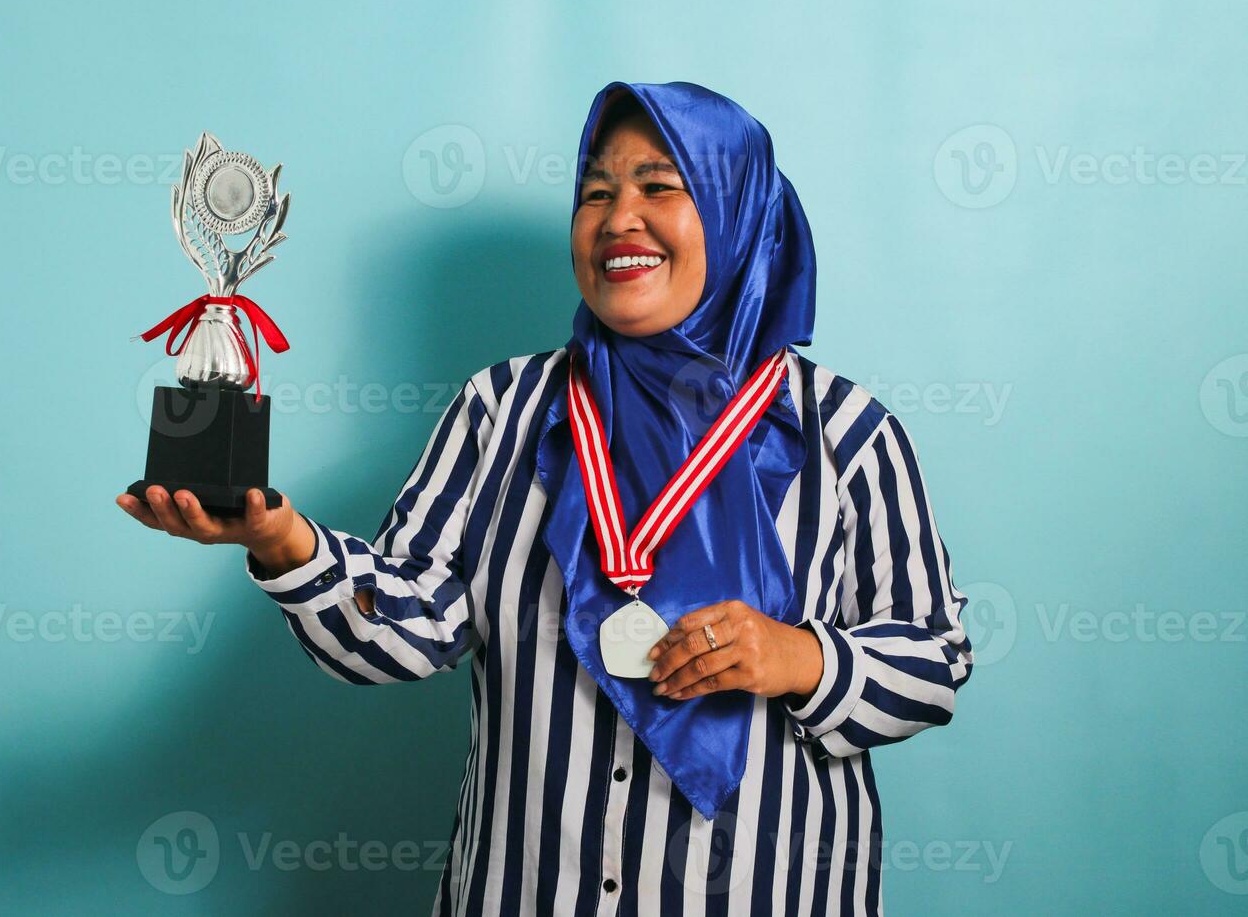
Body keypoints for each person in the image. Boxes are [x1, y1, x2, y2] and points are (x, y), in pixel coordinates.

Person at [117, 80, 975, 915]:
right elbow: (410, 627)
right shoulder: (505, 409)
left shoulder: (843, 433)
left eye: (658, 187)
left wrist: (803, 657)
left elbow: (936, 662)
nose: (617, 219)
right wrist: (287, 545)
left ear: (737, 210)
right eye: (595, 191)